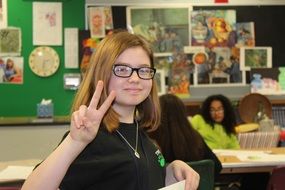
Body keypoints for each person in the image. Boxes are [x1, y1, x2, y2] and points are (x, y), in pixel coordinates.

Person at [21, 30, 199, 190]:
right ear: (101, 74)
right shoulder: (90, 139)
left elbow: (130, 180)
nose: (135, 78)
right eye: (122, 69)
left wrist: (170, 172)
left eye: (143, 70)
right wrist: (74, 142)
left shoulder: (141, 135)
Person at [148, 94, 222, 179]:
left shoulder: (150, 140)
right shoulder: (195, 137)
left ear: (157, 112)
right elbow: (217, 167)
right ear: (183, 113)